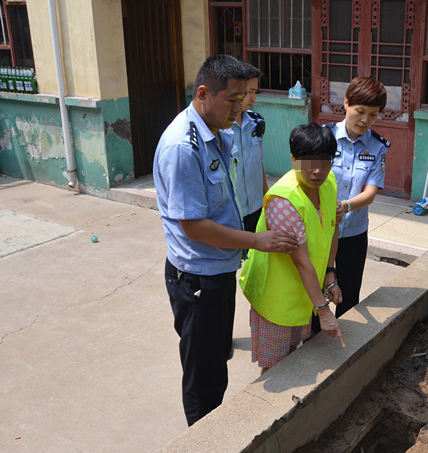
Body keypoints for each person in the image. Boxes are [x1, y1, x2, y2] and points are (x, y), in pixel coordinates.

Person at [152, 54, 298, 426]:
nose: (240, 107)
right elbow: (195, 226)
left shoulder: (217, 131)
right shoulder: (184, 148)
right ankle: (203, 438)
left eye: (246, 97)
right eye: (233, 98)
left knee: (217, 359)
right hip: (197, 277)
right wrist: (255, 240)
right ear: (204, 93)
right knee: (204, 375)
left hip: (216, 270)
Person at [239, 123, 346, 374]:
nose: (317, 170)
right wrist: (324, 310)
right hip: (276, 297)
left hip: (304, 292)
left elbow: (331, 229)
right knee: (275, 366)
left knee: (292, 354)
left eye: (324, 161)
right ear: (293, 159)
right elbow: (301, 261)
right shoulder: (283, 201)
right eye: (307, 162)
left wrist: (330, 274)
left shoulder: (328, 183)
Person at [313, 76, 388, 333]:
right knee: (315, 289)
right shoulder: (323, 137)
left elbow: (370, 192)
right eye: (360, 111)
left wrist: (345, 205)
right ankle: (310, 343)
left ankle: (346, 348)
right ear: (345, 104)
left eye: (373, 114)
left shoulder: (377, 147)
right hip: (320, 230)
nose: (365, 120)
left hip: (354, 232)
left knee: (349, 294)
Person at [232, 62, 269, 233]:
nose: (254, 98)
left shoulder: (257, 122)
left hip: (256, 207)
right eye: (250, 92)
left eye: (255, 92)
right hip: (233, 211)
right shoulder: (219, 128)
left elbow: (257, 163)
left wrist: (266, 197)